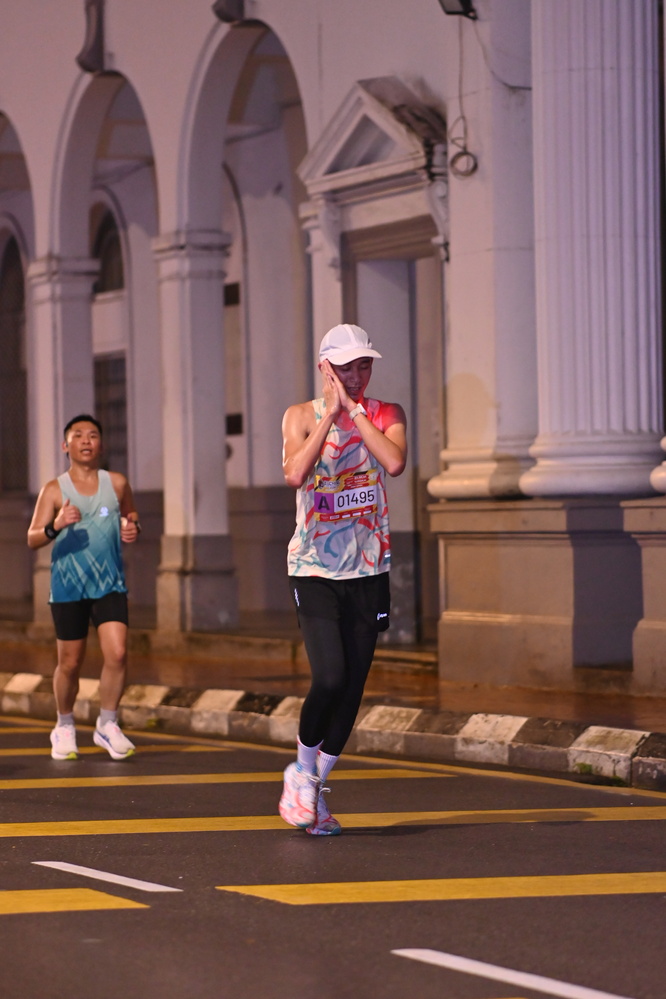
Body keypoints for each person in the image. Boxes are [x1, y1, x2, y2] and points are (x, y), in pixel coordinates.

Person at [279, 323, 407, 835]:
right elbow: (295, 474)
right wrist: (331, 414)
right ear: (325, 368)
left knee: (352, 688)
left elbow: (393, 462)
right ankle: (301, 772)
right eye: (346, 367)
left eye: (364, 365)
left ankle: (314, 788)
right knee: (329, 677)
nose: (356, 375)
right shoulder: (299, 415)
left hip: (369, 568)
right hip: (314, 567)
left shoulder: (386, 413)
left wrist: (354, 411)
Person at [27, 414, 141, 761]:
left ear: (101, 445)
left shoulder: (117, 483)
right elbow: (32, 538)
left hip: (109, 584)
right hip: (68, 587)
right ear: (66, 446)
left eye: (93, 435)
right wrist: (56, 524)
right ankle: (63, 725)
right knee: (70, 663)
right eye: (78, 435)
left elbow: (131, 514)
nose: (86, 440)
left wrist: (132, 527)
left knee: (117, 653)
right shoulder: (54, 489)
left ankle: (108, 723)